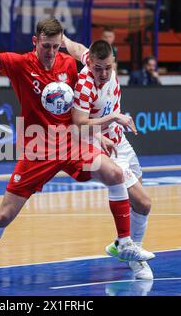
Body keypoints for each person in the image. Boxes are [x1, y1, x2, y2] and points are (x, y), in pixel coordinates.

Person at [0, 18, 154, 284]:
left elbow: (83, 80)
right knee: (4, 215)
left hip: (71, 143)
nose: (51, 52)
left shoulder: (69, 64)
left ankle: (124, 243)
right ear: (35, 42)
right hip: (38, 149)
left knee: (115, 174)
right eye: (46, 46)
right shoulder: (21, 64)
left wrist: (96, 134)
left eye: (56, 47)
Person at [64, 37, 154, 279]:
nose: (103, 74)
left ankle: (121, 246)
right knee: (144, 203)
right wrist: (114, 117)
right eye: (98, 68)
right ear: (90, 64)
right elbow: (79, 125)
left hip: (119, 139)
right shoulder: (84, 84)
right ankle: (132, 257)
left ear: (113, 62)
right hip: (99, 144)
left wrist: (62, 38)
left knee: (139, 206)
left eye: (108, 68)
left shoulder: (95, 60)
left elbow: (78, 49)